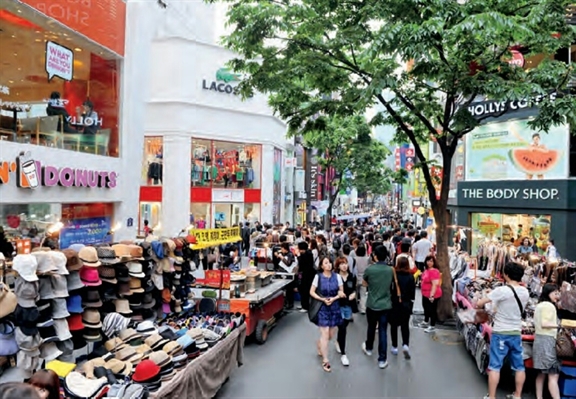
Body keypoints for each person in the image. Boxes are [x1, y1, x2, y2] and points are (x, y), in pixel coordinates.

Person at [476, 262, 529, 399]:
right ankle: (517, 395)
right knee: (519, 366)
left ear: (506, 274)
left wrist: (487, 294)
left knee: (495, 366)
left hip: (501, 332)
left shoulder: (502, 290)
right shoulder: (525, 291)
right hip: (516, 332)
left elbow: (479, 303)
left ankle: (492, 397)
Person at [309, 257, 345, 372]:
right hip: (322, 308)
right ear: (321, 266)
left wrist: (334, 298)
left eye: (330, 262)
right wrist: (322, 299)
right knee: (325, 334)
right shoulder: (317, 277)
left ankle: (319, 343)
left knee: (330, 335)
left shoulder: (337, 277)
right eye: (325, 263)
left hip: (335, 308)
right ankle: (325, 360)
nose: (328, 264)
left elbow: (341, 291)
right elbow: (311, 291)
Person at [362, 245, 393, 369]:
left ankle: (369, 348)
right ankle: (382, 359)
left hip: (372, 304)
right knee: (383, 331)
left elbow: (364, 283)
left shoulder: (370, 269)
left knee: (371, 327)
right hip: (385, 304)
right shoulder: (390, 270)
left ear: (375, 256)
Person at [533, 283, 561, 399]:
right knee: (553, 375)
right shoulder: (549, 306)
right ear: (548, 293)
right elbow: (545, 324)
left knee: (541, 374)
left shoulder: (540, 305)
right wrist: (560, 325)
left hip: (539, 340)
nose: (557, 295)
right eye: (555, 293)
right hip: (548, 342)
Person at [390, 256, 415, 359]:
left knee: (393, 326)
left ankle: (394, 346)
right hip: (406, 304)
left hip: (394, 303)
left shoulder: (394, 275)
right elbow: (412, 294)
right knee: (405, 326)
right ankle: (405, 344)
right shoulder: (410, 277)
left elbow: (390, 290)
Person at [334, 256, 357, 366]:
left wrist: (354, 294)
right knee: (342, 328)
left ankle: (338, 340)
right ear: (338, 266)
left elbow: (353, 289)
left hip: (348, 305)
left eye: (346, 263)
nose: (344, 265)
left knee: (345, 324)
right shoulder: (335, 277)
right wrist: (337, 293)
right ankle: (344, 354)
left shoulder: (352, 276)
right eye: (342, 264)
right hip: (338, 305)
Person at [420, 255, 442, 333]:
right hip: (425, 293)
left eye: (431, 261)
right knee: (426, 308)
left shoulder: (434, 271)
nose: (429, 262)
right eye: (428, 260)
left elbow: (435, 284)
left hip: (433, 294)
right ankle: (426, 321)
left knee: (432, 310)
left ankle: (432, 326)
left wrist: (432, 295)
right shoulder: (426, 270)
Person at [297, 241, 316, 313]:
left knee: (305, 291)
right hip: (304, 275)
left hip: (306, 276)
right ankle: (303, 305)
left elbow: (302, 264)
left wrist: (298, 256)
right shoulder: (306, 254)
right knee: (302, 290)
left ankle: (305, 306)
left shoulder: (307, 255)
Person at [355, 244, 370, 314]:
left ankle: (354, 307)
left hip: (356, 278)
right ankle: (363, 308)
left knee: (354, 293)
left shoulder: (355, 259)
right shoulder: (367, 259)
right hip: (364, 278)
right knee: (363, 294)